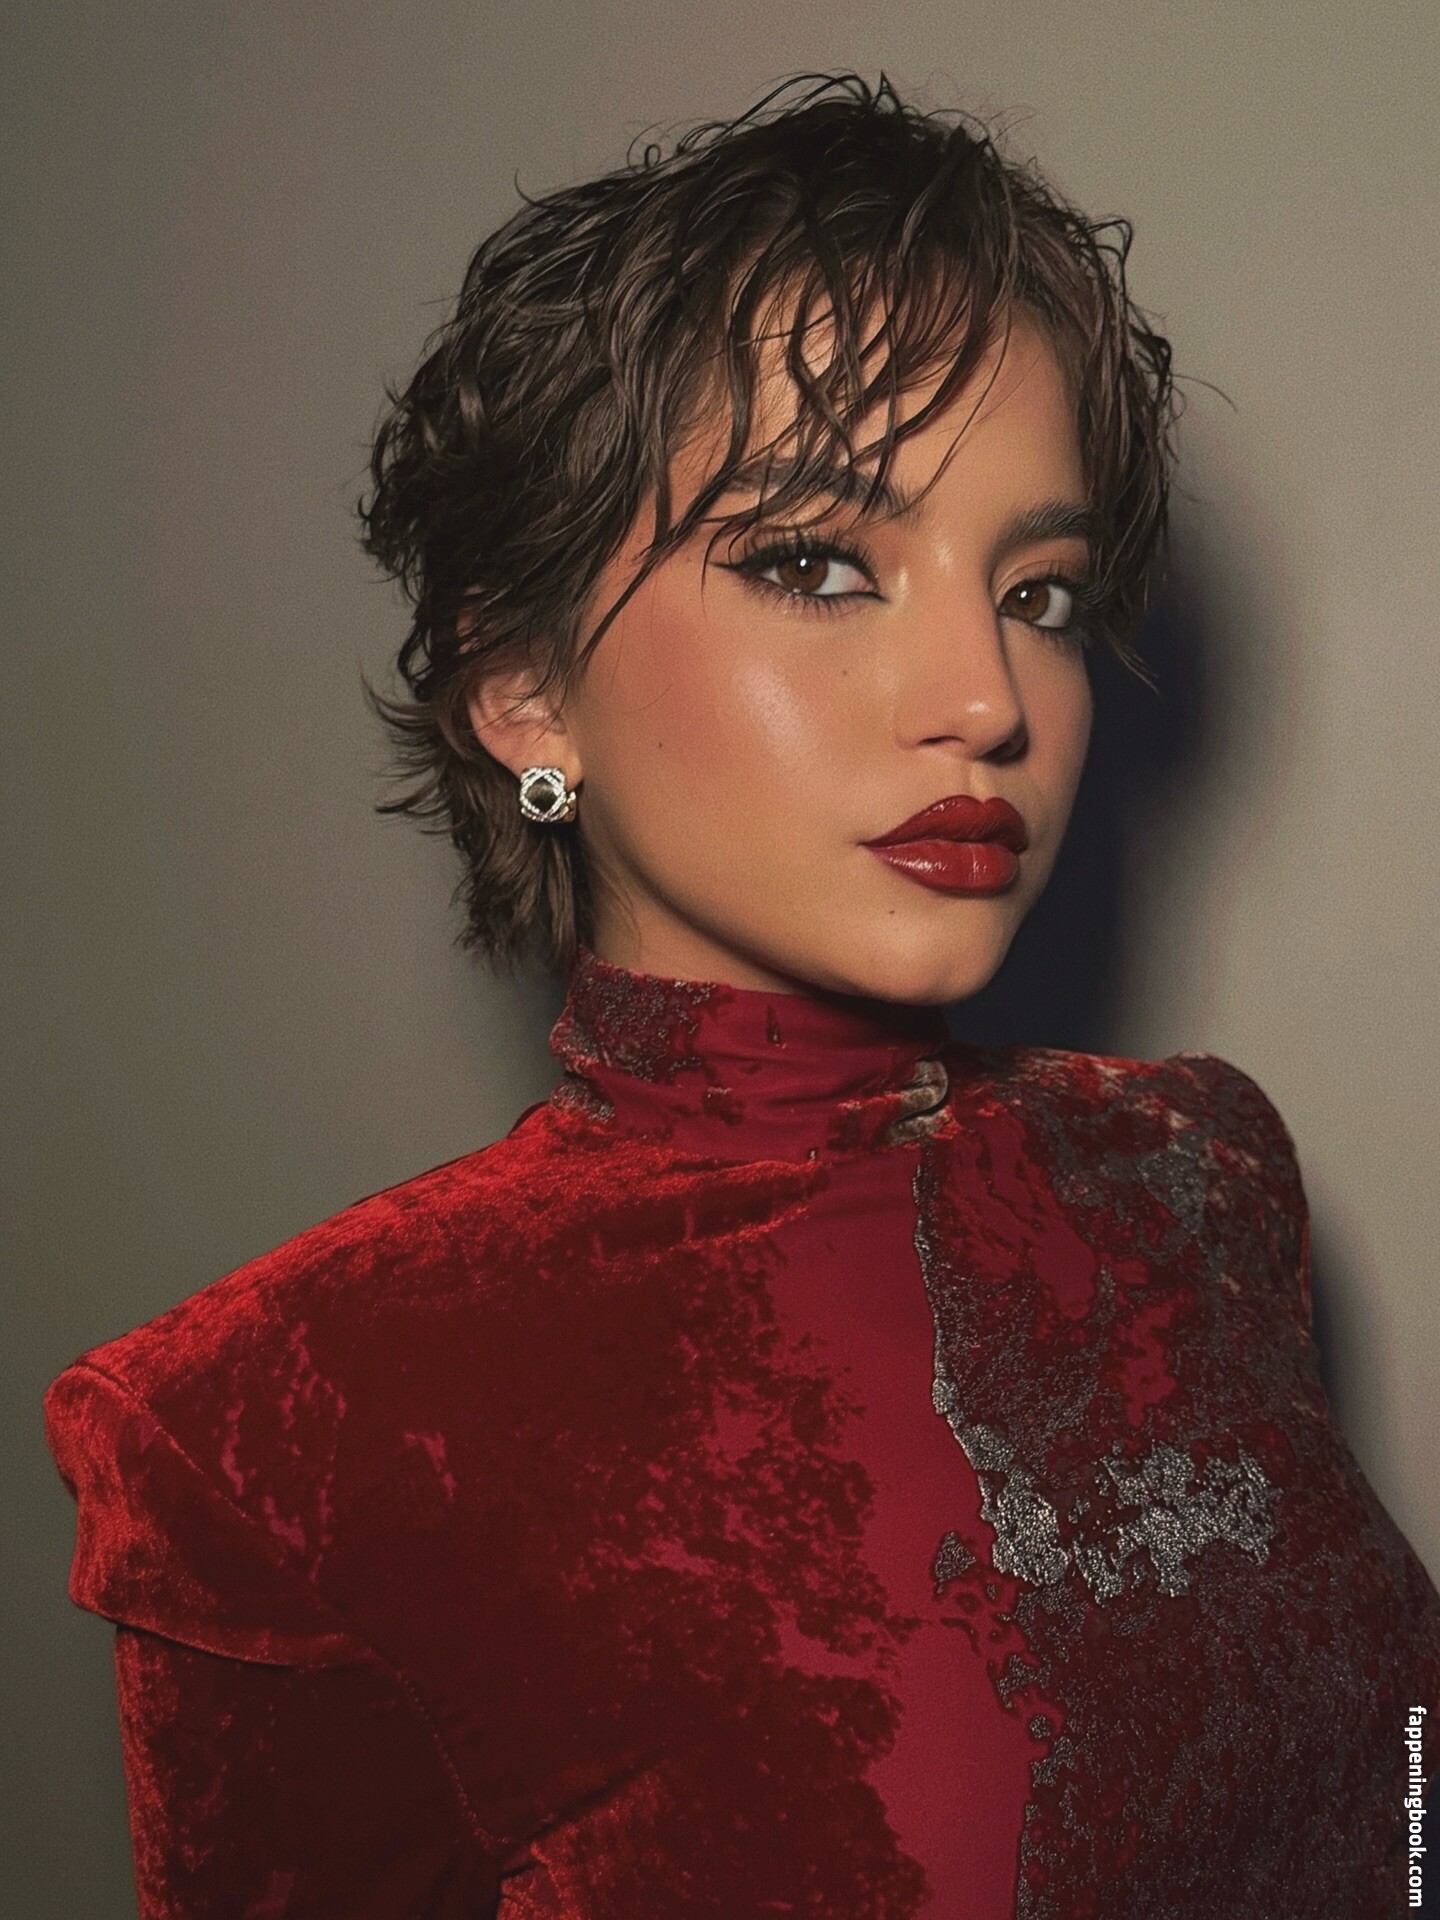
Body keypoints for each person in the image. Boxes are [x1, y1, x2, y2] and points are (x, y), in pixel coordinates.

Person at [44, 72, 1439, 1920]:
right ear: (521, 688)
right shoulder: (276, 1429)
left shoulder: (1200, 1172)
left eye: (1039, 593)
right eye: (817, 564)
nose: (987, 699)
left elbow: (1400, 1805)